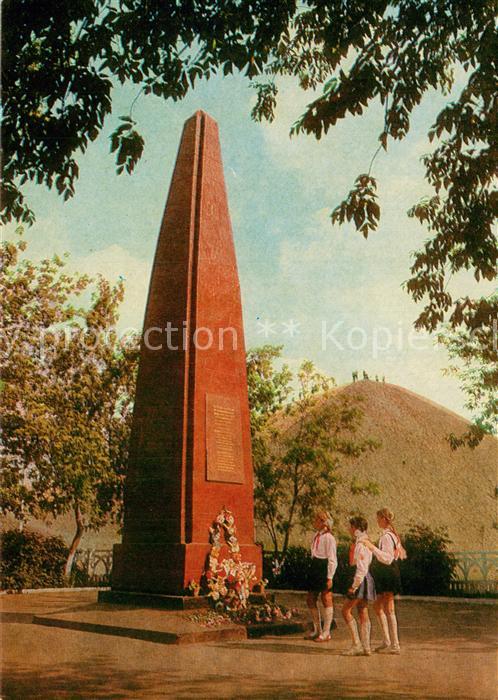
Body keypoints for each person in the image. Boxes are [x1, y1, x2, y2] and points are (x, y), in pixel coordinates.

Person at [365, 508, 405, 654]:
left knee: (388, 608)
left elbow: (387, 559)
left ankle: (395, 644)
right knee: (377, 606)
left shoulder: (388, 536)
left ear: (383, 518)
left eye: (378, 518)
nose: (377, 521)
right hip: (385, 573)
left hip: (388, 572)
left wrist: (372, 548)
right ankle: (387, 640)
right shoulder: (391, 535)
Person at [342, 515, 375, 656]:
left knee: (345, 611)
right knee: (362, 610)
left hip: (360, 579)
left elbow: (360, 568)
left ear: (356, 529)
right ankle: (366, 646)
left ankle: (357, 645)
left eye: (351, 527)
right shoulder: (366, 542)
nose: (349, 529)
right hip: (366, 578)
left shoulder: (361, 545)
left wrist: (354, 587)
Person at [305, 510, 338, 642]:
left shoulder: (329, 538)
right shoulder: (316, 535)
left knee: (326, 598)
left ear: (323, 522)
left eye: (316, 520)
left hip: (324, 568)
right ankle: (317, 629)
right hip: (315, 567)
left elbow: (332, 559)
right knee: (310, 599)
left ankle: (326, 632)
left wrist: (330, 577)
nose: (314, 522)